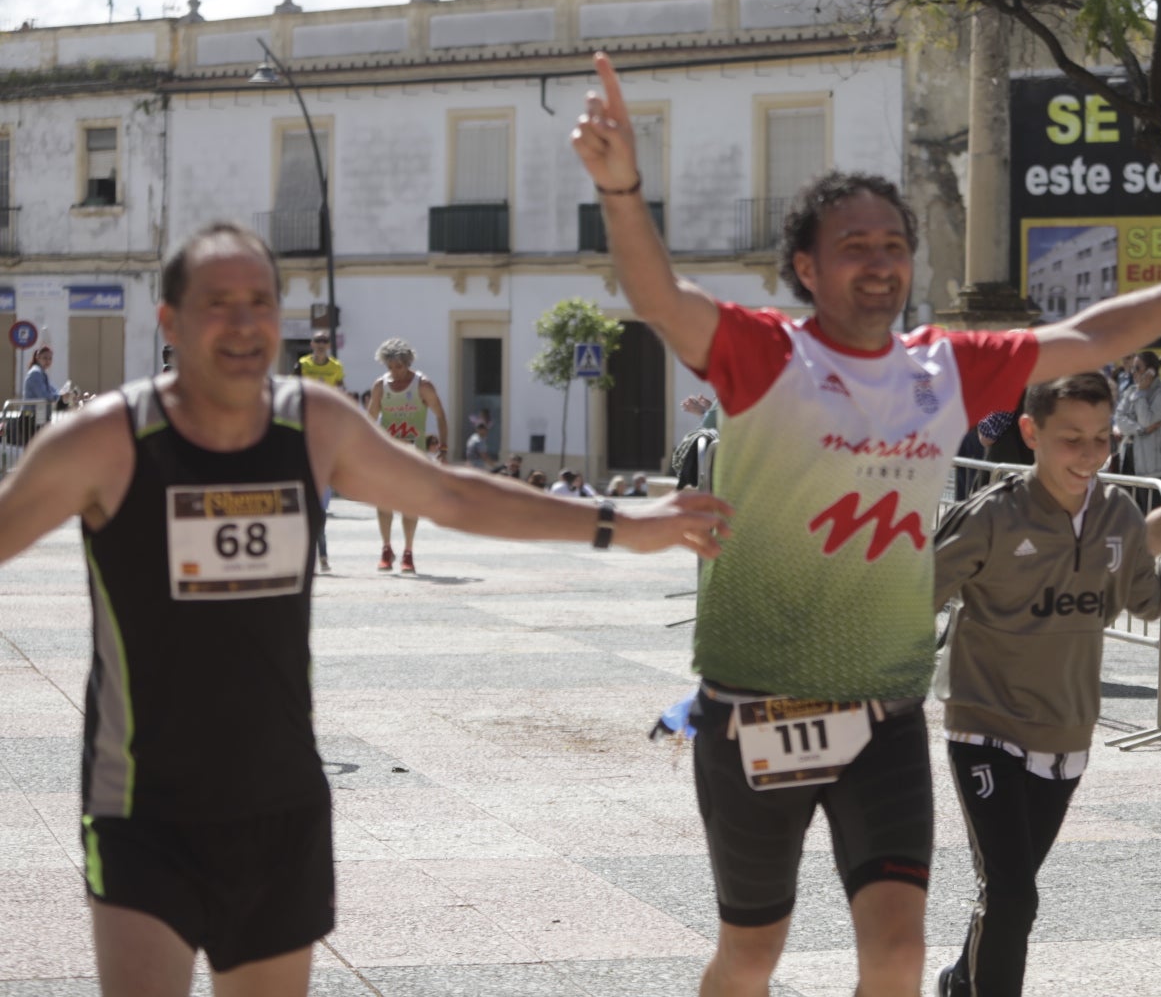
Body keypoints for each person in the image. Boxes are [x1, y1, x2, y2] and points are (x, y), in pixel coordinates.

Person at [569, 49, 1161, 997]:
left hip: (882, 712)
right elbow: (659, 298)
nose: (879, 262)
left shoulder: (940, 368)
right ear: (806, 266)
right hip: (760, 703)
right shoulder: (762, 354)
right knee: (752, 954)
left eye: (894, 245)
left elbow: (1091, 336)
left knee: (900, 953)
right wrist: (623, 188)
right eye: (853, 245)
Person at [0, 222, 730, 997]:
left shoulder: (312, 425)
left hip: (278, 801)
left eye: (260, 301)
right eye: (218, 303)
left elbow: (453, 494)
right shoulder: (106, 441)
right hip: (142, 804)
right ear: (170, 322)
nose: (244, 322)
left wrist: (623, 526)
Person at [931, 372, 1161, 995]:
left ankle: (962, 980)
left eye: (1102, 438)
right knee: (1012, 893)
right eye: (1072, 439)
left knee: (1010, 894)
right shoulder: (990, 516)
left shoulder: (1116, 513)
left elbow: (1148, 600)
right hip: (984, 728)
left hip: (1066, 736)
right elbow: (904, 603)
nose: (1090, 454)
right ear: (1031, 433)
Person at [367, 338, 449, 574]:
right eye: (390, 366)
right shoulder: (381, 386)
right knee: (383, 502)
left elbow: (441, 416)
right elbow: (370, 418)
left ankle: (408, 552)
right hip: (387, 453)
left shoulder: (422, 385)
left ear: (407, 363)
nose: (395, 371)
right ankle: (385, 548)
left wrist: (443, 450)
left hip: (414, 454)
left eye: (399, 366)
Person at [295, 331, 345, 575]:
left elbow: (340, 395)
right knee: (307, 509)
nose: (322, 346)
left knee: (319, 512)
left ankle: (321, 556)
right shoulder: (302, 365)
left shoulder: (336, 367)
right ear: (312, 344)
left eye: (326, 342)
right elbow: (294, 392)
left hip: (325, 429)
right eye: (318, 341)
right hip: (304, 428)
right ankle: (311, 558)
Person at [1114, 350, 1161, 500]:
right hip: (1131, 462)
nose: (1133, 372)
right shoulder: (1131, 391)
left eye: (1137, 368)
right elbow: (1119, 419)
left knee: (1152, 517)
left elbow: (1147, 420)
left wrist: (1141, 393)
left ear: (1150, 371)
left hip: (1156, 470)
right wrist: (1141, 430)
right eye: (1133, 368)